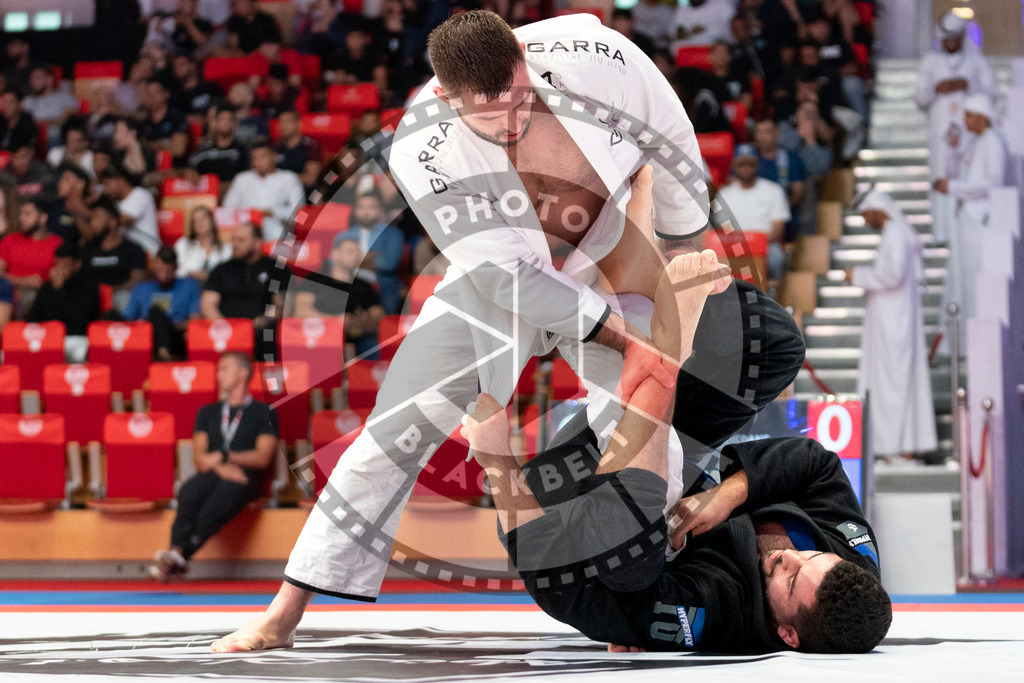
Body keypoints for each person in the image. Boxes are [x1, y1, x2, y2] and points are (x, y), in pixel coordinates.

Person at [210, 12, 804, 652]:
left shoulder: (598, 55)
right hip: (493, 285)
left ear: (524, 55)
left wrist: (686, 254)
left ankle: (644, 597)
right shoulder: (421, 147)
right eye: (491, 119)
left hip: (605, 251)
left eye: (520, 103)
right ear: (446, 97)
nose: (513, 125)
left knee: (644, 425)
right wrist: (631, 341)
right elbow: (512, 281)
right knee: (392, 431)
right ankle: (286, 608)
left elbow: (671, 134)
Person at [462, 250, 890, 654]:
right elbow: (816, 466)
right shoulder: (853, 566)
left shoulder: (720, 615)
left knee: (627, 560)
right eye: (812, 556)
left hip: (572, 499)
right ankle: (644, 284)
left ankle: (665, 344)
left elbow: (561, 586)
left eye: (790, 579)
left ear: (788, 634)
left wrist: (498, 459)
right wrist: (728, 495)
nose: (789, 557)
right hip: (668, 456)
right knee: (775, 346)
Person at [150, 352, 279, 581]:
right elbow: (200, 459)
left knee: (222, 498)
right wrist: (221, 466)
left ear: (242, 373)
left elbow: (262, 458)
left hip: (245, 477)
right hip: (214, 473)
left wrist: (225, 457)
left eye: (224, 369)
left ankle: (177, 554)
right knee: (189, 490)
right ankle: (177, 556)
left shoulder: (264, 412)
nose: (219, 375)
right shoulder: (207, 412)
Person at [840, 191, 936, 462]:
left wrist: (855, 275)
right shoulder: (897, 232)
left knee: (892, 381)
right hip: (891, 318)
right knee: (890, 380)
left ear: (875, 211)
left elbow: (891, 275)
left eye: (865, 215)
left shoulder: (895, 233)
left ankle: (897, 447)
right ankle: (896, 446)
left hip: (894, 323)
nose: (865, 221)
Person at [935, 94, 1011, 348]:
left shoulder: (993, 142)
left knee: (974, 282)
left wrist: (954, 187)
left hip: (980, 224)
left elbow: (993, 184)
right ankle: (963, 343)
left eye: (968, 115)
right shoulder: (976, 142)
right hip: (966, 222)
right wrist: (954, 148)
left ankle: (977, 344)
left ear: (981, 117)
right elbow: (957, 171)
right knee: (962, 283)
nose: (964, 120)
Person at [914, 12, 995, 246]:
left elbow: (990, 94)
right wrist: (936, 88)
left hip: (970, 132)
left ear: (961, 37)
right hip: (941, 131)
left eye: (955, 38)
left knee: (968, 174)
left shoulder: (976, 61)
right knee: (941, 174)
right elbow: (919, 98)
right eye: (946, 38)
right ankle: (941, 231)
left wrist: (967, 85)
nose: (950, 43)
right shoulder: (930, 61)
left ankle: (964, 227)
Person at [295, 233, 385, 359]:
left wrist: (363, 319)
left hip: (355, 337)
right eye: (349, 251)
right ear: (335, 254)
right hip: (319, 336)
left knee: (372, 345)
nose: (354, 255)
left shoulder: (364, 285)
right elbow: (300, 310)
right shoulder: (314, 280)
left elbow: (378, 313)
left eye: (357, 252)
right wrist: (336, 321)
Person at [717, 144, 790, 280]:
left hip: (767, 246)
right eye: (742, 164)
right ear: (734, 166)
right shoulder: (725, 194)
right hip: (736, 248)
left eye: (750, 163)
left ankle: (774, 296)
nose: (746, 167)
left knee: (776, 259)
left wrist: (756, 246)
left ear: (757, 164)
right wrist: (742, 248)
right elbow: (724, 228)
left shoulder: (774, 190)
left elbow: (778, 227)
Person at [125, 246, 202, 360]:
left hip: (175, 337)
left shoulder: (190, 286)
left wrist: (168, 324)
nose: (164, 274)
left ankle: (163, 356)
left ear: (176, 267)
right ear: (154, 265)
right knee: (110, 316)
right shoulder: (141, 288)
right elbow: (127, 320)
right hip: (144, 337)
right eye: (160, 269)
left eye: (168, 270)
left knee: (155, 311)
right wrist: (144, 325)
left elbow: (195, 322)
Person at [221, 137, 305, 241]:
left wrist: (272, 212)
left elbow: (301, 214)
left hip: (278, 232)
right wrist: (250, 214)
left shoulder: (289, 178)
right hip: (245, 232)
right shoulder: (242, 179)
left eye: (262, 157)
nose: (258, 161)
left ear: (274, 157)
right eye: (255, 158)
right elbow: (227, 209)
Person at [202, 220, 281, 326]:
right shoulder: (221, 270)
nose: (235, 244)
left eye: (241, 240)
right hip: (227, 334)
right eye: (233, 239)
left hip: (262, 331)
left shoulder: (274, 269)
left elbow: (280, 304)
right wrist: (224, 326)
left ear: (257, 243)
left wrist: (263, 321)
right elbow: (209, 304)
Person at [337, 189, 404, 315]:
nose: (366, 212)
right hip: (351, 285)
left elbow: (388, 264)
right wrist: (372, 257)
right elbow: (337, 264)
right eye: (361, 207)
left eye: (371, 207)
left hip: (383, 286)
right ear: (355, 210)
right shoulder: (343, 236)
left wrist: (354, 259)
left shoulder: (393, 234)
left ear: (380, 210)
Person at [80, 196, 149, 312]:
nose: (92, 223)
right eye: (91, 219)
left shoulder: (133, 249)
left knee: (124, 299)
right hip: (92, 299)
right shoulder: (87, 248)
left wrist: (109, 291)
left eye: (97, 218)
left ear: (113, 221)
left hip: (119, 297)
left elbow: (138, 281)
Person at [0, 197, 63, 314]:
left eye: (27, 214)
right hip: (6, 292)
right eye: (21, 214)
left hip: (38, 296)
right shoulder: (10, 240)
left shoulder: (58, 244)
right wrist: (23, 281)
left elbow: (57, 279)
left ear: (43, 218)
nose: (22, 218)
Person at [25, 242, 101, 336]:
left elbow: (80, 320)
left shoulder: (88, 286)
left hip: (78, 337)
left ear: (77, 265)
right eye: (57, 264)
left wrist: (60, 290)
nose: (59, 269)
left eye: (65, 265)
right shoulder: (47, 287)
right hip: (49, 337)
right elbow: (34, 319)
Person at [753, 118, 809, 238]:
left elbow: (798, 190)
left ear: (777, 133)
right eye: (759, 132)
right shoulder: (750, 158)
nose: (762, 137)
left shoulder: (790, 158)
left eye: (767, 132)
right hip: (753, 212)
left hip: (784, 214)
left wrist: (780, 209)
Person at [101, 165, 161, 255]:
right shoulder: (115, 202)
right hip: (127, 253)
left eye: (107, 184)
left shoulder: (140, 194)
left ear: (120, 180)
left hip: (148, 251)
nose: (105, 190)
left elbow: (123, 220)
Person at [189, 104, 250, 182]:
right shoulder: (204, 150)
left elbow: (247, 177)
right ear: (215, 122)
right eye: (222, 119)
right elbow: (190, 170)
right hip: (209, 192)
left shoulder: (243, 150)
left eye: (230, 120)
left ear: (235, 123)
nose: (226, 123)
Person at [140, 76, 190, 167]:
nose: (152, 97)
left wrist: (151, 146)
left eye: (155, 93)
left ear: (166, 94)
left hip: (175, 168)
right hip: (150, 168)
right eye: (149, 94)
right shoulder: (145, 122)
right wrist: (164, 143)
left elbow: (178, 150)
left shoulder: (177, 118)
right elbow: (141, 149)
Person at [22, 65, 80, 144]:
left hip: (58, 136)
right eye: (31, 79)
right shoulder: (27, 101)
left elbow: (69, 120)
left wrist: (44, 125)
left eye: (37, 78)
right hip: (34, 138)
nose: (33, 81)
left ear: (49, 79)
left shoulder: (64, 98)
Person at [174, 205, 232, 282]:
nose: (199, 222)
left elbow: (229, 276)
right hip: (188, 287)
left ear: (212, 221)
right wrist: (191, 273)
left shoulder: (226, 249)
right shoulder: (183, 244)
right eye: (195, 220)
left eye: (203, 217)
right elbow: (174, 270)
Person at [274, 110, 323, 190]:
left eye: (288, 121)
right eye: (281, 122)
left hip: (304, 191)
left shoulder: (311, 146)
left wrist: (282, 178)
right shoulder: (276, 146)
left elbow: (310, 179)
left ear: (298, 124)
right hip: (279, 191)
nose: (283, 125)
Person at [49, 163, 93, 243]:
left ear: (80, 184)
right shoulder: (54, 206)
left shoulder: (91, 207)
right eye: (61, 179)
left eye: (67, 179)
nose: (60, 183)